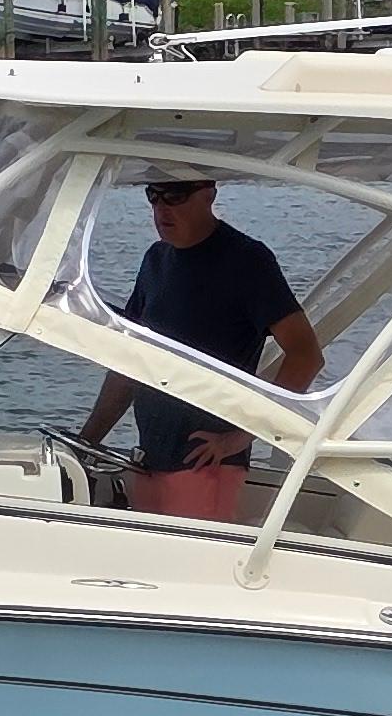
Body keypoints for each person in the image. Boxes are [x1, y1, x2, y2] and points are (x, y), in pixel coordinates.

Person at [76, 177, 323, 519]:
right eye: (154, 196)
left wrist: (239, 439)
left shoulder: (247, 261)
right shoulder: (155, 261)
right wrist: (86, 443)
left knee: (184, 568)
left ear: (209, 195)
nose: (162, 207)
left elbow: (306, 355)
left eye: (175, 195)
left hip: (206, 465)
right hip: (149, 459)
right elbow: (129, 360)